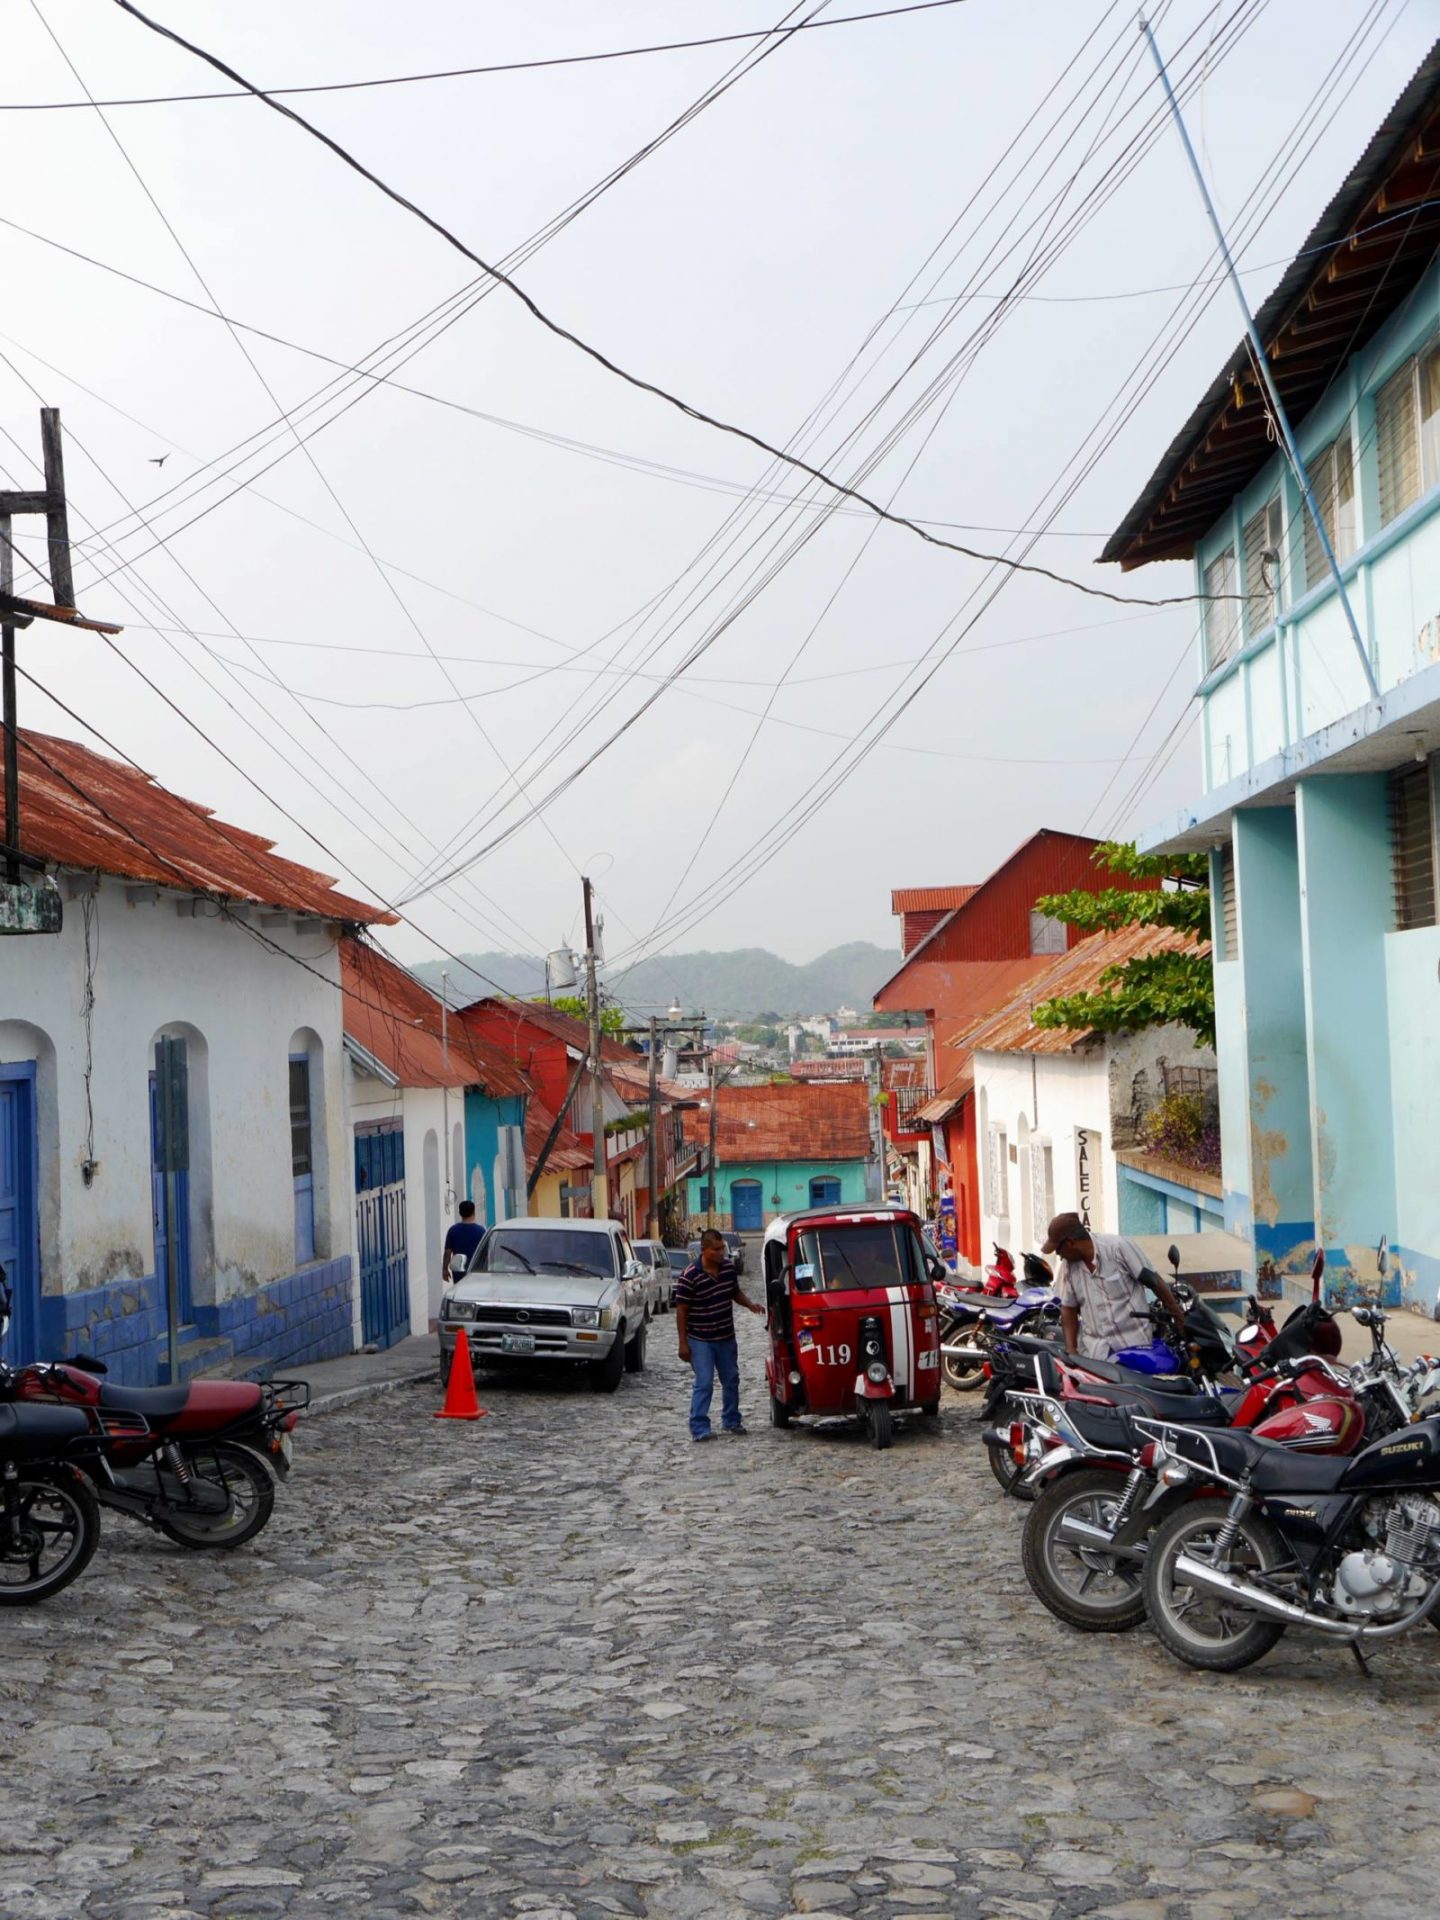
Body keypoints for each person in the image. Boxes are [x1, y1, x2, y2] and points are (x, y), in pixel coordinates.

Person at [1042, 1211, 1186, 1360]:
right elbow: (1068, 1307)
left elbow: (1155, 1282)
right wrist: (1071, 1349)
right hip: (1095, 1353)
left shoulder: (1118, 1248)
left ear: (1071, 1243)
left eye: (1058, 1250)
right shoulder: (1068, 1267)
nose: (1059, 1256)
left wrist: (1179, 1318)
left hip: (1133, 1347)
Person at [674, 1227, 764, 1441]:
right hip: (700, 1340)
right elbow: (681, 1311)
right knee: (704, 1382)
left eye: (722, 1248)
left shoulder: (728, 1269)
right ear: (704, 1250)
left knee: (731, 1379)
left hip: (725, 1337)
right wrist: (682, 1343)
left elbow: (734, 1292)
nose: (721, 1252)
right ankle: (699, 1428)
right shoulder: (689, 1276)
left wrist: (750, 1304)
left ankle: (731, 1420)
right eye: (716, 1249)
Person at [442, 1201, 485, 1288]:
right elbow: (486, 1253)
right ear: (473, 1212)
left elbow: (447, 1252)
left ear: (460, 1213)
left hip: (458, 1271)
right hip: (476, 1270)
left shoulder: (453, 1230)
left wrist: (445, 1269)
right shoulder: (481, 1231)